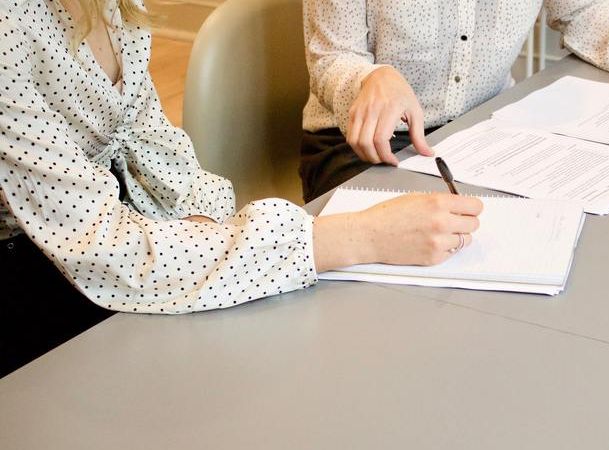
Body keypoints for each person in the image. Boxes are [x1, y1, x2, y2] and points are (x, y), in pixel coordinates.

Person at [0, 0, 482, 378]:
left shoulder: (111, 7)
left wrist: (209, 228)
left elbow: (154, 147)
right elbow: (107, 249)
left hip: (108, 229)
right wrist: (356, 237)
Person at [300, 0, 609, 202]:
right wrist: (370, 79)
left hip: (483, 131)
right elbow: (331, 57)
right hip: (362, 144)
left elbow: (580, 11)